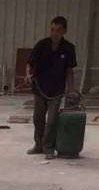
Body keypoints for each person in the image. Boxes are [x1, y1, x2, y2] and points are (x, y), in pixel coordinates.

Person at [24, 16, 77, 159]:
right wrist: (28, 75)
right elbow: (29, 63)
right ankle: (38, 145)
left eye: (58, 30)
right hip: (40, 88)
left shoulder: (69, 48)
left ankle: (48, 148)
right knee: (38, 118)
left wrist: (71, 90)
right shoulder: (42, 45)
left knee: (52, 120)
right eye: (52, 29)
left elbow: (69, 71)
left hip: (57, 90)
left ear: (64, 31)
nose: (54, 33)